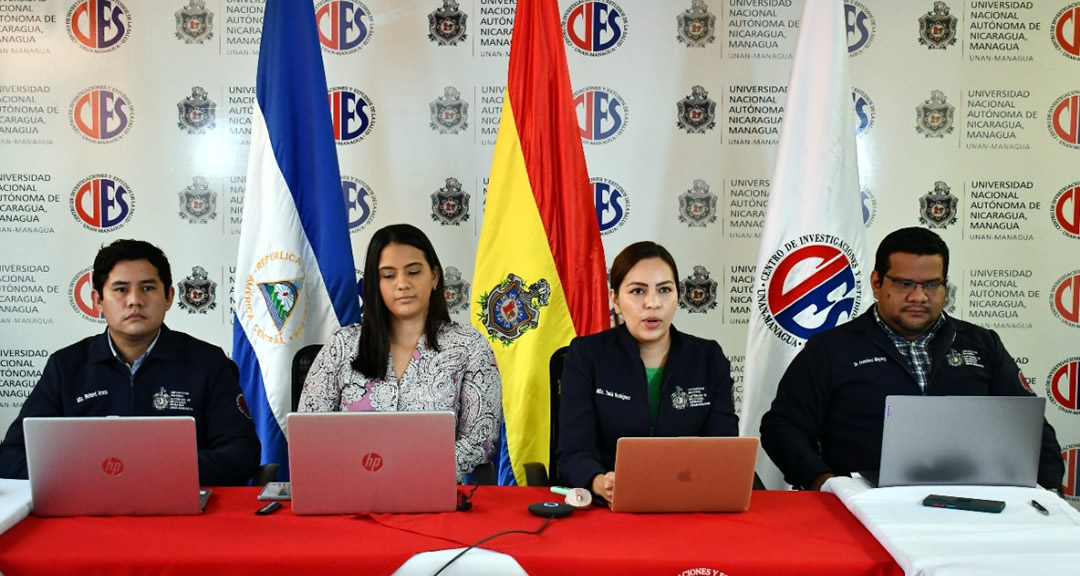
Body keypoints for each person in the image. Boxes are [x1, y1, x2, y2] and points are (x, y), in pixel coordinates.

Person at [760, 227, 1064, 491]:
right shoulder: (830, 348)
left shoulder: (982, 344)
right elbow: (783, 428)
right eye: (905, 284)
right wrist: (824, 483)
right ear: (877, 283)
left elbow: (1028, 427)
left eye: (931, 284)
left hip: (970, 501)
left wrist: (1049, 493)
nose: (919, 297)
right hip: (861, 505)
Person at [0, 240, 261, 486]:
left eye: (147, 288)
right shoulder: (66, 366)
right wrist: (90, 474)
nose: (135, 300)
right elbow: (11, 456)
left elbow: (242, 452)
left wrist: (157, 470)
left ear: (169, 297)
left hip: (179, 504)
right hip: (86, 505)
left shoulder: (207, 362)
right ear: (98, 300)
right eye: (121, 289)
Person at [299, 223, 501, 482]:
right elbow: (309, 432)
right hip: (350, 490)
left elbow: (480, 440)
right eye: (388, 275)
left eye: (413, 272)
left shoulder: (469, 346)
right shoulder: (342, 345)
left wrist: (410, 473)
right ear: (375, 284)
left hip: (433, 490)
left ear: (434, 277)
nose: (402, 284)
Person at [557, 241, 739, 502]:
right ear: (615, 300)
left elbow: (723, 449)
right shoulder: (587, 356)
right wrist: (599, 482)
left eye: (664, 290)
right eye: (638, 291)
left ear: (678, 296)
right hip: (609, 505)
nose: (653, 303)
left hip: (689, 502)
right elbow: (573, 452)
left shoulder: (708, 358)